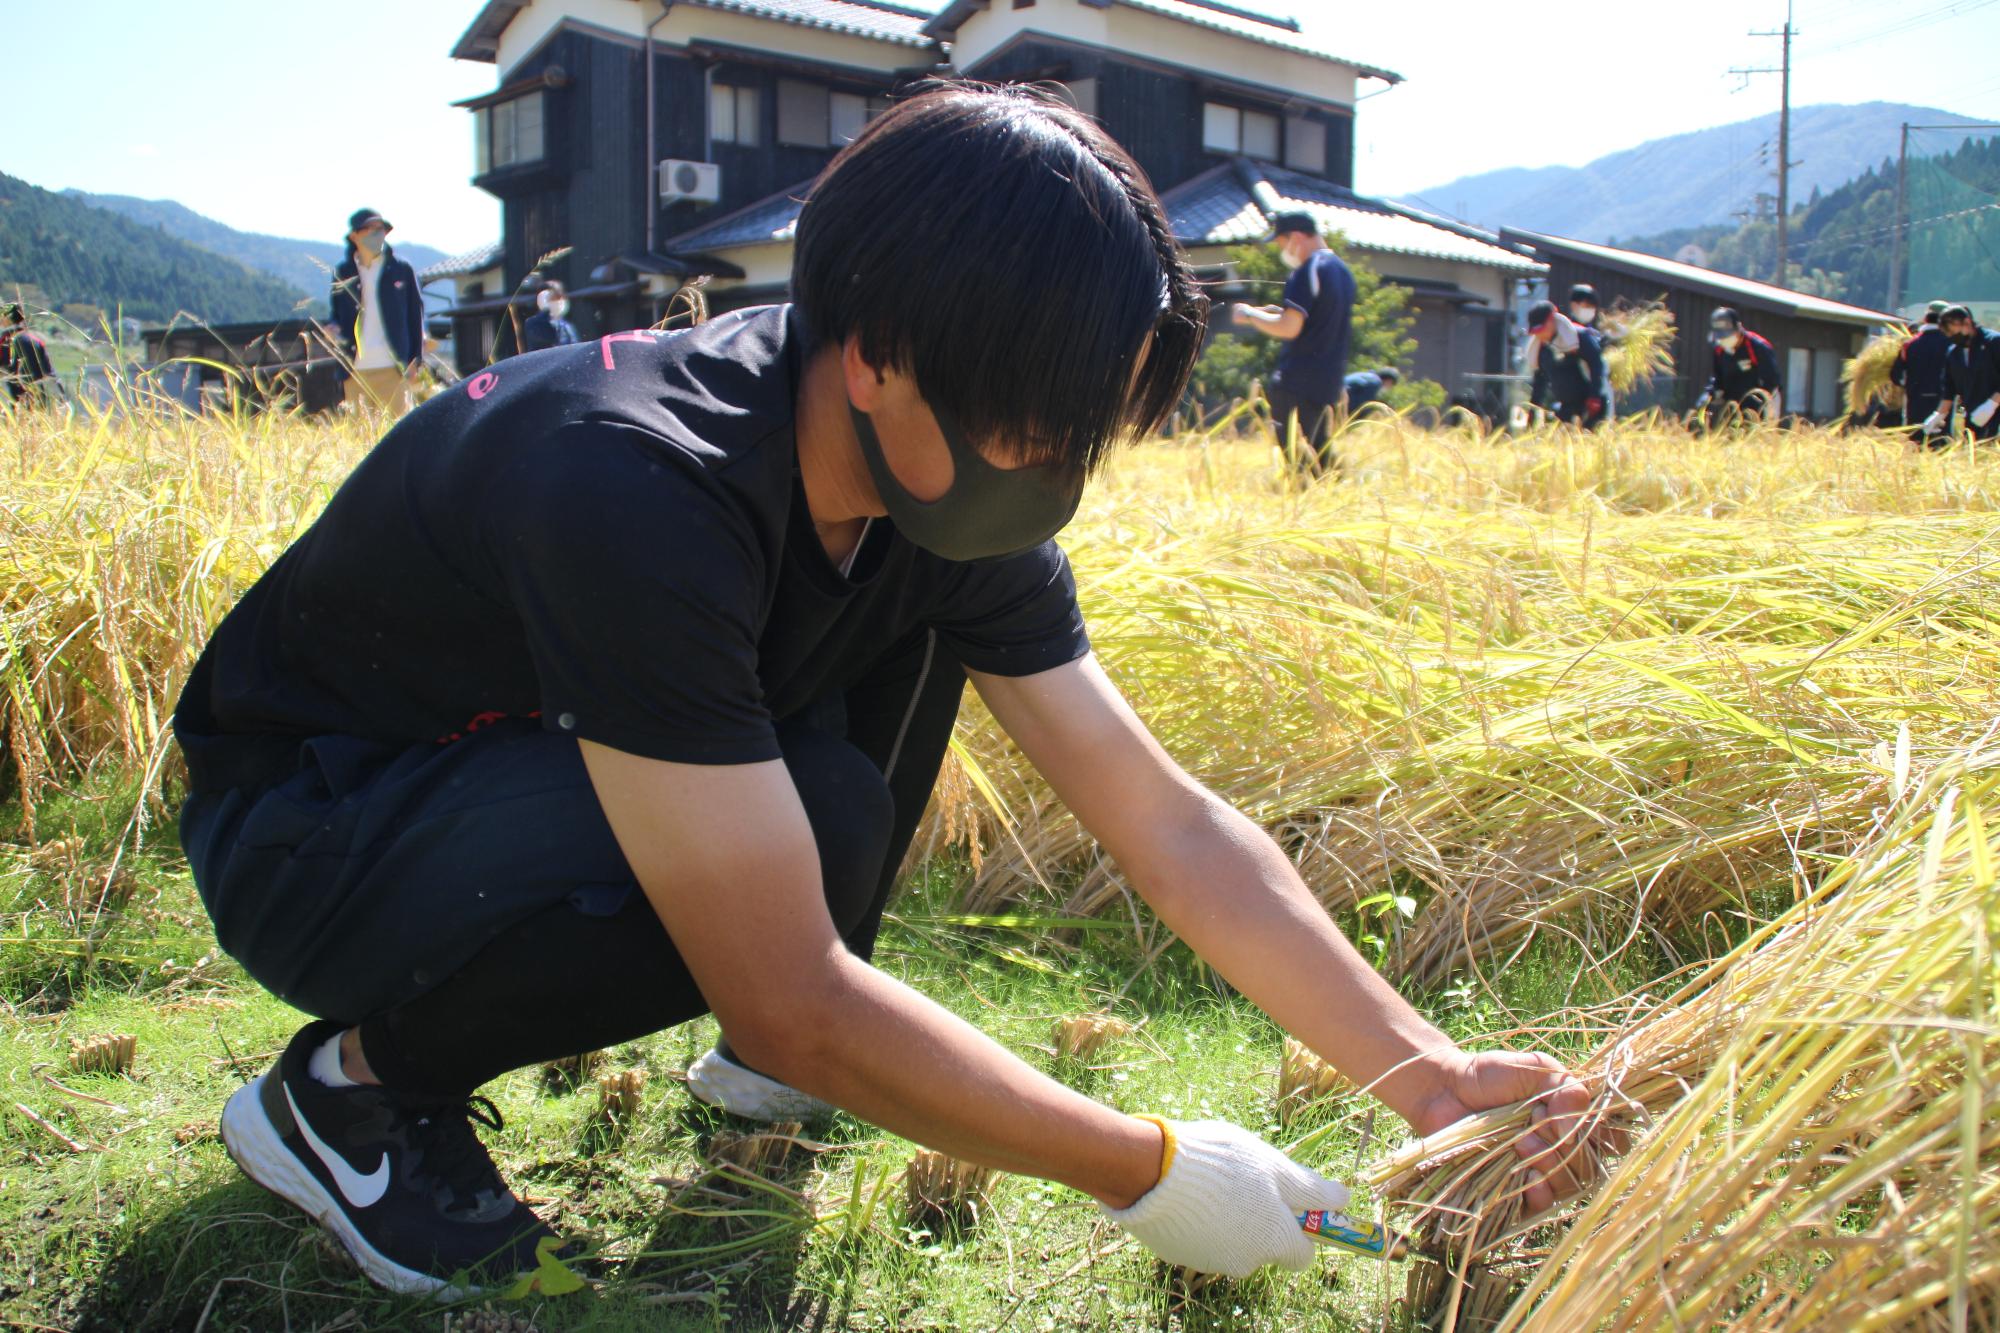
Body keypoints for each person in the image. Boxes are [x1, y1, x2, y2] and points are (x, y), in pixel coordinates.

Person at [176, 86, 1588, 1297]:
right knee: (788, 897)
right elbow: (791, 987)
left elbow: (1160, 818)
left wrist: (1422, 1073)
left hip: (525, 776)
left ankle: (754, 1058)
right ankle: (353, 1094)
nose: (1055, 473)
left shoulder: (940, 488)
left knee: (845, 788)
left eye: (1083, 434)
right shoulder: (636, 489)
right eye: (1033, 423)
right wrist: (1153, 1172)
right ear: (874, 353)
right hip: (317, 824)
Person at [1230, 211, 1356, 473]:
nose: (1283, 250)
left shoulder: (1307, 271)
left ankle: (1312, 500)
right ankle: (1338, 495)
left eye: (1281, 243)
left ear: (1297, 237)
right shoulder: (1341, 271)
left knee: (1299, 462)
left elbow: (1289, 328)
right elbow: (1315, 320)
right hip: (1328, 378)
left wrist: (1250, 315)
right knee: (1320, 450)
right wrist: (1273, 312)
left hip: (1297, 379)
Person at [330, 208, 425, 416]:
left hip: (394, 367)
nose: (377, 235)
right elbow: (336, 313)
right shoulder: (343, 273)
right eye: (370, 229)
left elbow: (415, 317)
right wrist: (333, 327)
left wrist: (415, 361)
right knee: (359, 438)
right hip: (354, 370)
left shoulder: (401, 269)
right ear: (354, 236)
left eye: (380, 229)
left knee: (398, 432)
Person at [1523, 300, 1607, 428]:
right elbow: (1539, 382)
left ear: (1552, 321)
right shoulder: (1541, 349)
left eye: (1542, 329)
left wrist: (1595, 397)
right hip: (1565, 407)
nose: (1539, 335)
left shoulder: (1579, 338)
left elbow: (1597, 365)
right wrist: (1532, 413)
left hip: (1591, 405)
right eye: (1536, 332)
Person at [1929, 304, 2000, 442]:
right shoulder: (1954, 353)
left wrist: (1991, 405)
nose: (1951, 336)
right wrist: (1938, 415)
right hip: (1973, 419)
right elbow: (1949, 389)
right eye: (1947, 333)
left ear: (1967, 322)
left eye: (1953, 332)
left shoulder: (1994, 342)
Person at [1696, 307, 1781, 423]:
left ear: (1738, 329)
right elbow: (1718, 377)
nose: (1724, 340)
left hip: (1762, 399)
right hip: (1733, 402)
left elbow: (1772, 381)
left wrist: (1760, 407)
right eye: (1721, 337)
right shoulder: (1719, 349)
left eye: (1727, 336)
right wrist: (1710, 394)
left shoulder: (1758, 347)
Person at [1892, 301, 1952, 439]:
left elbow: (1896, 376)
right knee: (1941, 443)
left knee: (1915, 441)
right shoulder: (1952, 345)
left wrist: (1909, 385)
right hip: (1943, 404)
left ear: (1925, 319)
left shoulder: (1909, 345)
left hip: (1915, 402)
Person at [1, 302, 59, 407]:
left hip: (16, 401)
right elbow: (50, 372)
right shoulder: (35, 339)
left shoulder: (6, 340)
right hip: (41, 398)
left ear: (8, 318)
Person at [521, 280, 581, 353]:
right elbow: (548, 342)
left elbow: (576, 347)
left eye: (560, 298)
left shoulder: (567, 326)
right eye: (553, 298)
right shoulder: (533, 323)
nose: (559, 302)